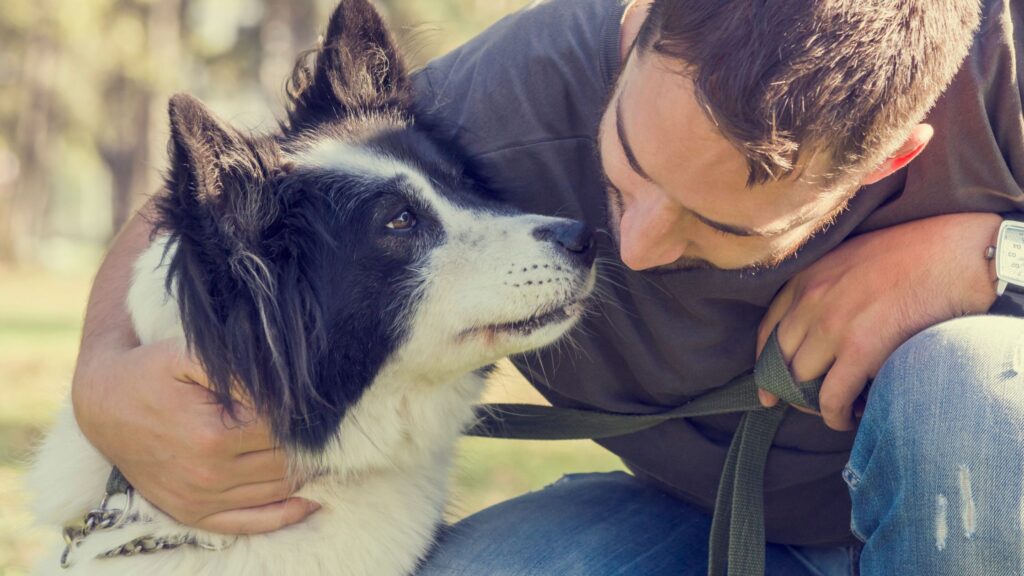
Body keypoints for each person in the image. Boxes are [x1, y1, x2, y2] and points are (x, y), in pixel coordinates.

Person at [71, 0, 1024, 574]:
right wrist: (103, 376)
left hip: (985, 519)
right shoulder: (517, 90)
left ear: (887, 159)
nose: (637, 247)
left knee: (963, 386)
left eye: (718, 227)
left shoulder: (1003, 72)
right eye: (624, 174)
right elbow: (238, 191)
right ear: (639, 21)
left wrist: (984, 257)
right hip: (695, 528)